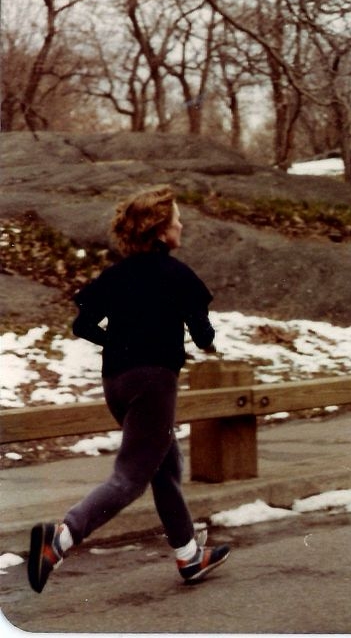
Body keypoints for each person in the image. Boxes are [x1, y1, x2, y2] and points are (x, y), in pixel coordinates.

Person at [28, 185, 230, 593]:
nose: (181, 225)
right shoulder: (178, 275)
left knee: (164, 465)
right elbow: (203, 332)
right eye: (176, 220)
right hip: (154, 382)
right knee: (131, 477)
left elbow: (82, 326)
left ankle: (189, 554)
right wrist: (207, 343)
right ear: (160, 231)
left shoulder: (114, 276)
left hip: (115, 383)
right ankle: (60, 538)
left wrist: (120, 343)